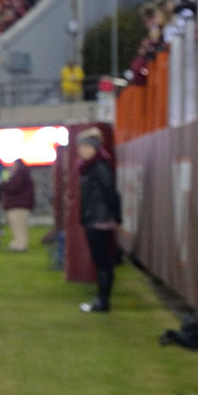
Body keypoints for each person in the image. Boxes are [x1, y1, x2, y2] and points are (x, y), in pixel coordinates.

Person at [76, 131, 121, 313]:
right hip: (95, 218)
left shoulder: (99, 167)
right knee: (101, 261)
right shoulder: (92, 167)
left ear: (92, 148)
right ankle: (101, 299)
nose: (80, 151)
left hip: (100, 220)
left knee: (103, 262)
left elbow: (110, 192)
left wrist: (115, 216)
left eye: (83, 147)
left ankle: (103, 301)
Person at [2, 157, 36, 252]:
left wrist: (3, 183)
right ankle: (17, 243)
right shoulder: (20, 174)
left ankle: (21, 244)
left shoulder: (20, 174)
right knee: (16, 225)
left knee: (19, 225)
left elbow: (12, 187)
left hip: (19, 204)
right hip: (17, 204)